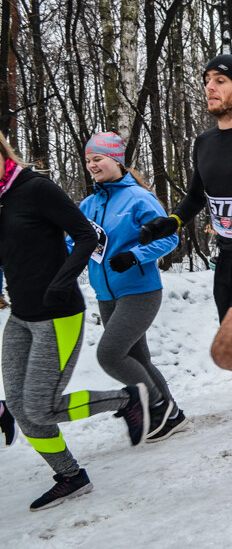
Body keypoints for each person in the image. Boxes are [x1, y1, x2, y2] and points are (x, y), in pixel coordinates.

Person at [138, 54, 232, 474]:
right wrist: (167, 224)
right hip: (228, 261)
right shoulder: (204, 143)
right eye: (206, 80)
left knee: (228, 350)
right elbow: (194, 198)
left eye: (220, 80)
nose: (210, 87)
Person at [0, 133, 149, 511]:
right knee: (20, 406)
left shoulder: (35, 188)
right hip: (20, 316)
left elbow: (86, 235)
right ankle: (70, 476)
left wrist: (61, 281)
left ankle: (127, 397)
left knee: (38, 407)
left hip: (58, 313)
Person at [76, 132, 187, 442]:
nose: (92, 165)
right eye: (88, 160)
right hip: (105, 293)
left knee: (110, 355)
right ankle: (173, 416)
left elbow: (169, 237)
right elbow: (75, 241)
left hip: (140, 290)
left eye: (97, 159)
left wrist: (134, 257)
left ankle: (159, 406)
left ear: (116, 159)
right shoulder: (88, 204)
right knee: (138, 359)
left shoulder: (139, 197)